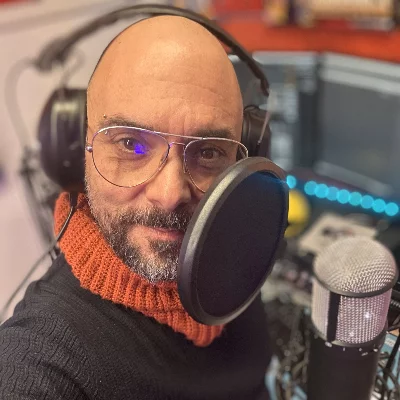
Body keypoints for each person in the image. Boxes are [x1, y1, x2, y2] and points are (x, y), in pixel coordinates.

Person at [0, 15, 271, 399]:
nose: (170, 193)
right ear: (78, 152)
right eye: (131, 144)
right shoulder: (40, 356)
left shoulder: (231, 257)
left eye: (209, 152)